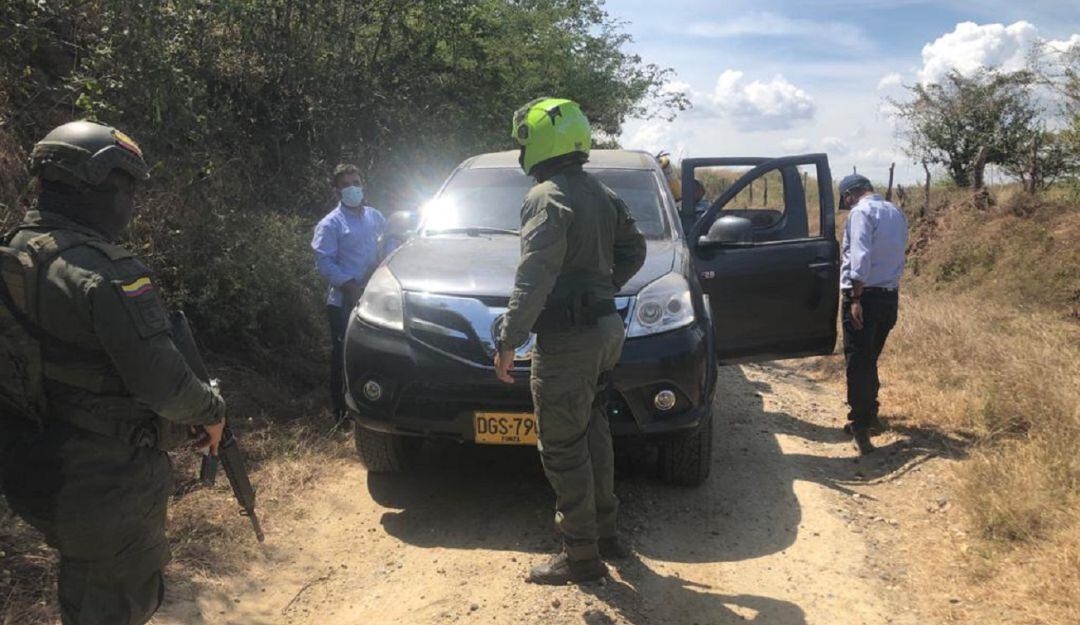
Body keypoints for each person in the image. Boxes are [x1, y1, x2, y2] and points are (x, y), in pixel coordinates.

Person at [0, 120, 226, 625]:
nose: (130, 204)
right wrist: (212, 411)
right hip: (106, 483)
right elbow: (167, 387)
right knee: (115, 604)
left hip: (36, 469)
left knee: (83, 590)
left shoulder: (15, 255)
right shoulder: (106, 273)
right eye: (126, 189)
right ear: (97, 185)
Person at [494, 97, 647, 585]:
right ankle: (605, 534)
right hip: (605, 332)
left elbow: (533, 276)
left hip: (568, 340)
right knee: (593, 429)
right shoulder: (600, 192)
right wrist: (602, 288)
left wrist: (509, 339)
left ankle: (581, 557)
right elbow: (635, 249)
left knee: (561, 446)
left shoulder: (546, 197)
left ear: (538, 141)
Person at [837, 173, 908, 455]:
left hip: (863, 295)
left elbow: (860, 256)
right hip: (889, 297)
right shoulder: (895, 212)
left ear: (850, 194)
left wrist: (855, 297)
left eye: (845, 199)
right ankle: (871, 415)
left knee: (858, 363)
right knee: (870, 359)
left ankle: (861, 427)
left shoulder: (860, 213)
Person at [311, 164, 386, 422]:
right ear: (337, 191)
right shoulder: (331, 224)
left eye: (356, 182)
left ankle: (372, 404)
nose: (353, 188)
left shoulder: (375, 217)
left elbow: (388, 247)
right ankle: (341, 412)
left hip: (376, 298)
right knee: (343, 354)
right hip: (343, 301)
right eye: (346, 185)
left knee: (376, 352)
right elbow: (324, 263)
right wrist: (350, 285)